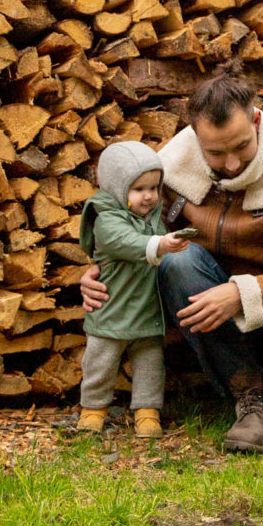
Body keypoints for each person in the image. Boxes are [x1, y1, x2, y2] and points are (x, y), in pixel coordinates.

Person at [81, 69, 263, 453]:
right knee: (178, 261)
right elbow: (131, 230)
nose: (230, 164)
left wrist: (243, 292)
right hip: (216, 318)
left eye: (240, 146)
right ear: (195, 136)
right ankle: (249, 398)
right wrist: (99, 270)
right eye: (215, 152)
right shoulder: (170, 168)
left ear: (256, 120)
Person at [77, 141, 191, 438]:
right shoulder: (105, 217)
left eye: (154, 188)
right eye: (139, 189)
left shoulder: (154, 217)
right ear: (117, 187)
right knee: (100, 362)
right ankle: (92, 408)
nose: (150, 196)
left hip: (147, 310)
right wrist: (161, 245)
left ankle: (147, 410)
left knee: (150, 364)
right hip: (111, 309)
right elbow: (124, 241)